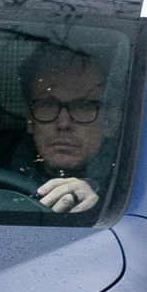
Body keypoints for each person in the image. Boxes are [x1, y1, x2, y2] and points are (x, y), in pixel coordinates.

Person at [14, 43, 116, 213]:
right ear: (30, 119)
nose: (63, 124)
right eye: (47, 105)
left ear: (110, 122)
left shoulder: (134, 188)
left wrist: (99, 203)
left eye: (82, 106)